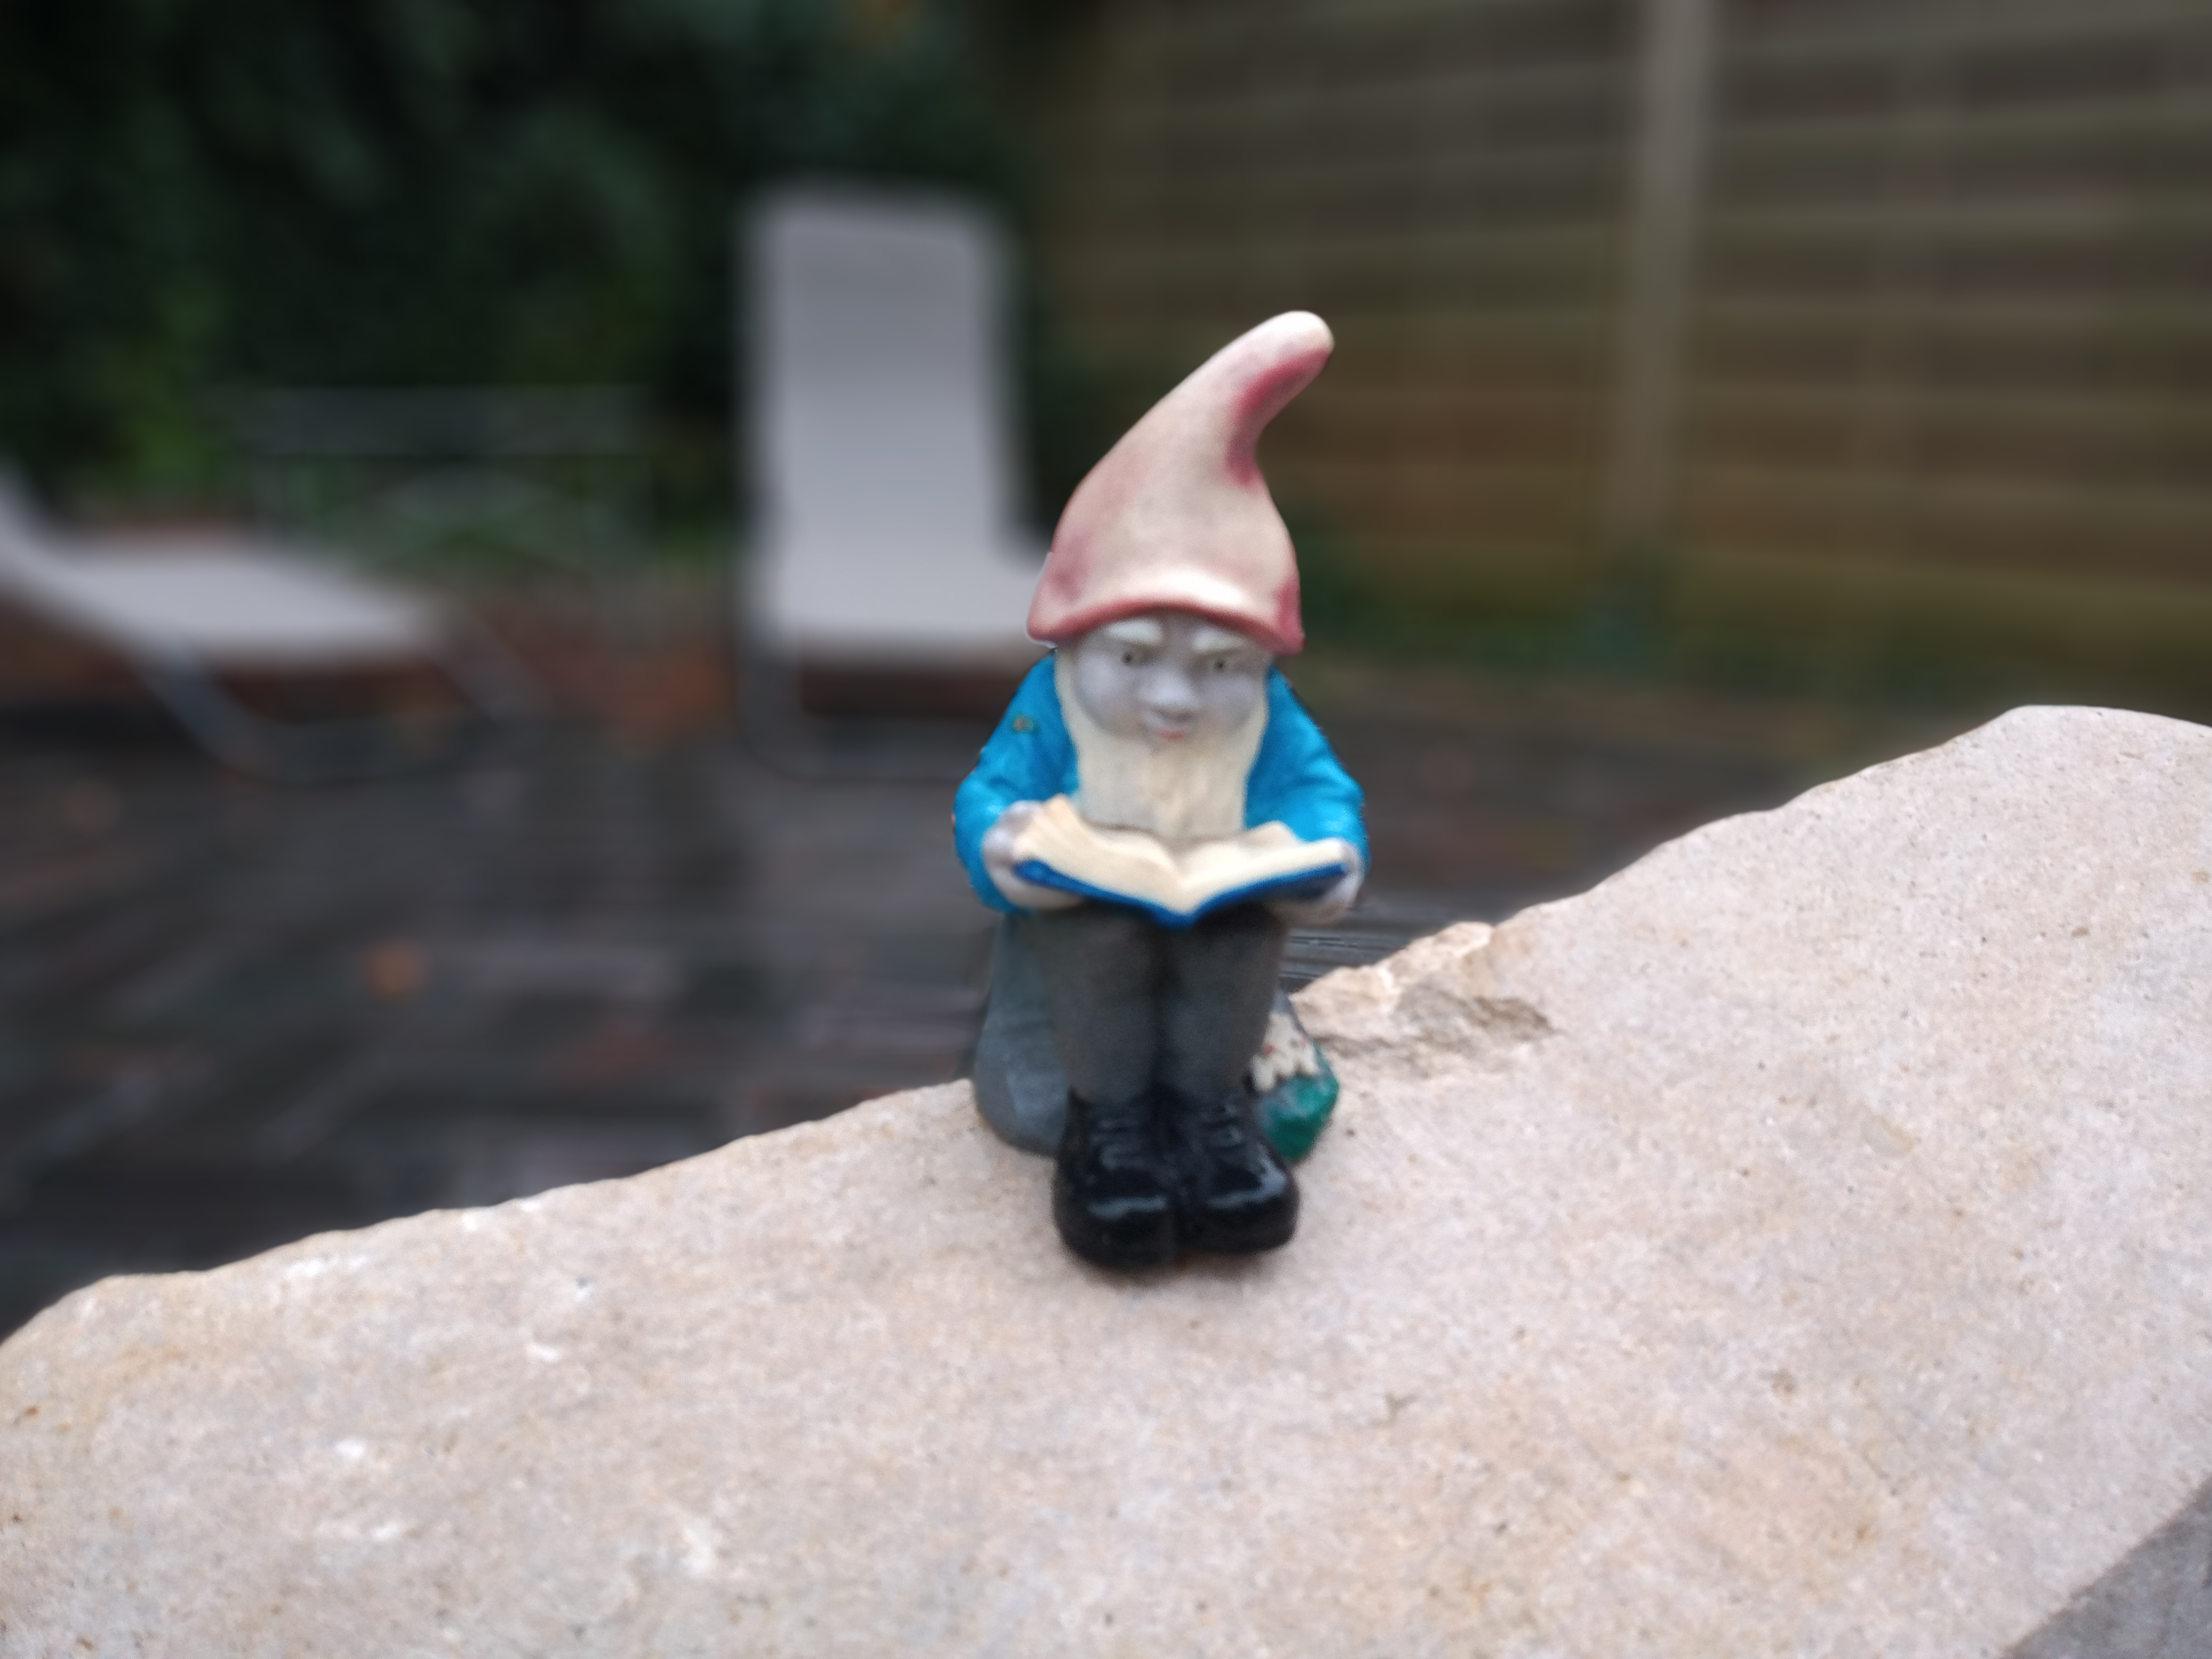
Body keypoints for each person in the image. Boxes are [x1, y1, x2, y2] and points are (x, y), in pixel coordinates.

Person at [953, 312, 1367, 1270]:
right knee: (1098, 937)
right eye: (1135, 658)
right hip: (1079, 945)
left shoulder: (1266, 719)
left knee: (1238, 936)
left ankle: (1210, 1115)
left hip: (1214, 928)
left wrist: (1328, 854)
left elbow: (1317, 791)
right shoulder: (1055, 705)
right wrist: (1004, 844)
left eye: (1220, 666)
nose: (1175, 700)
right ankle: (1110, 1129)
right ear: (1082, 639)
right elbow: (993, 789)